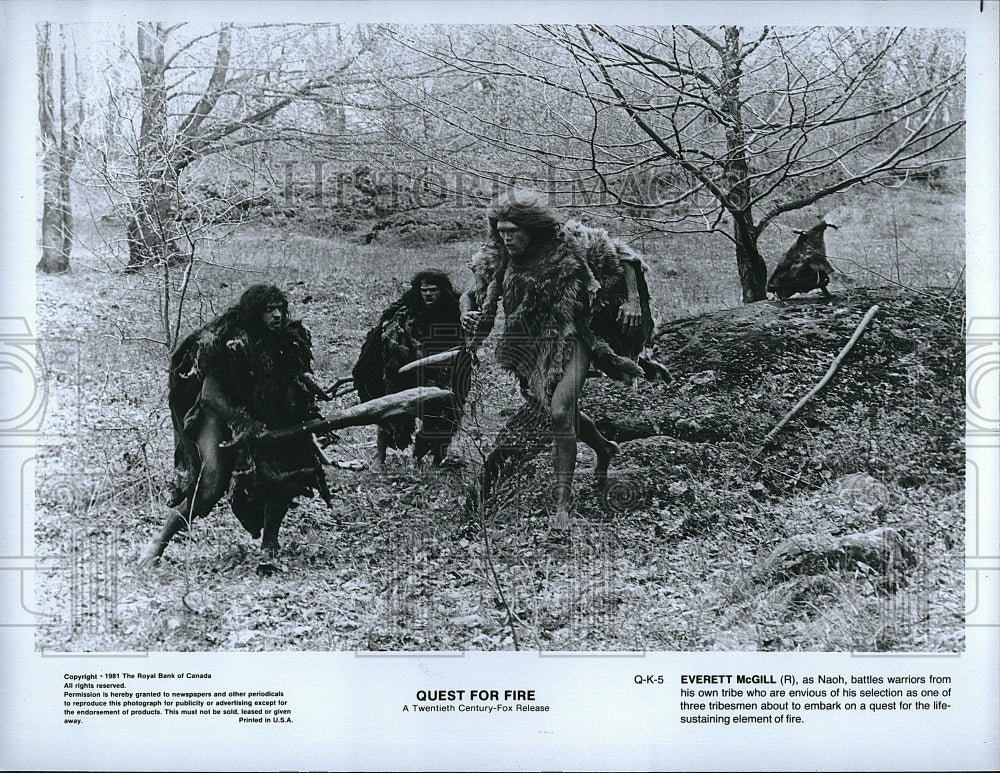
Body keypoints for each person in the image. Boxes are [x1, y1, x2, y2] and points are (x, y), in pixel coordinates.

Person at [460, 190, 657, 529]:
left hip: (571, 336)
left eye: (514, 231)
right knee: (556, 409)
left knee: (561, 412)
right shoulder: (496, 257)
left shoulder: (570, 244)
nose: (507, 238)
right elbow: (471, 295)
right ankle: (603, 447)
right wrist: (468, 315)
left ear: (532, 228)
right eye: (502, 230)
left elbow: (625, 257)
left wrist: (634, 302)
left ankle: (562, 506)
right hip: (526, 346)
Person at [139, 284, 331, 571]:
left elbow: (289, 383)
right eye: (268, 310)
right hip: (217, 413)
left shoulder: (288, 341)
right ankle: (158, 543)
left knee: (282, 469)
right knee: (210, 486)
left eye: (279, 308)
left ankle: (269, 542)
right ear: (254, 313)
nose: (276, 315)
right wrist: (242, 422)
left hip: (262, 412)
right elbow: (210, 397)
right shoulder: (229, 342)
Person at [352, 270, 472, 471]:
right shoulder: (408, 309)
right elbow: (385, 337)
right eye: (424, 290)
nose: (427, 295)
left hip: (441, 370)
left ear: (443, 290)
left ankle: (437, 457)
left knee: (445, 412)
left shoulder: (453, 308)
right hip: (405, 370)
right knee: (390, 406)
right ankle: (379, 456)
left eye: (433, 290)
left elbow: (463, 341)